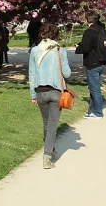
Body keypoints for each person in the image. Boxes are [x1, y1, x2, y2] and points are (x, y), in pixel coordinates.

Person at [28, 22, 71, 169]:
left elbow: (32, 74)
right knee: (52, 125)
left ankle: (51, 149)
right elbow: (67, 73)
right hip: (55, 90)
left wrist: (33, 94)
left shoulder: (34, 51)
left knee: (46, 123)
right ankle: (47, 156)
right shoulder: (59, 50)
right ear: (55, 35)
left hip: (40, 91)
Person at [76, 12, 106, 119]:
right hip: (101, 61)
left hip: (93, 63)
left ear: (87, 20)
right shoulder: (101, 29)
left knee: (95, 88)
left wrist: (78, 47)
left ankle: (98, 112)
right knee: (93, 87)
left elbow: (86, 48)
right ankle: (92, 109)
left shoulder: (89, 32)